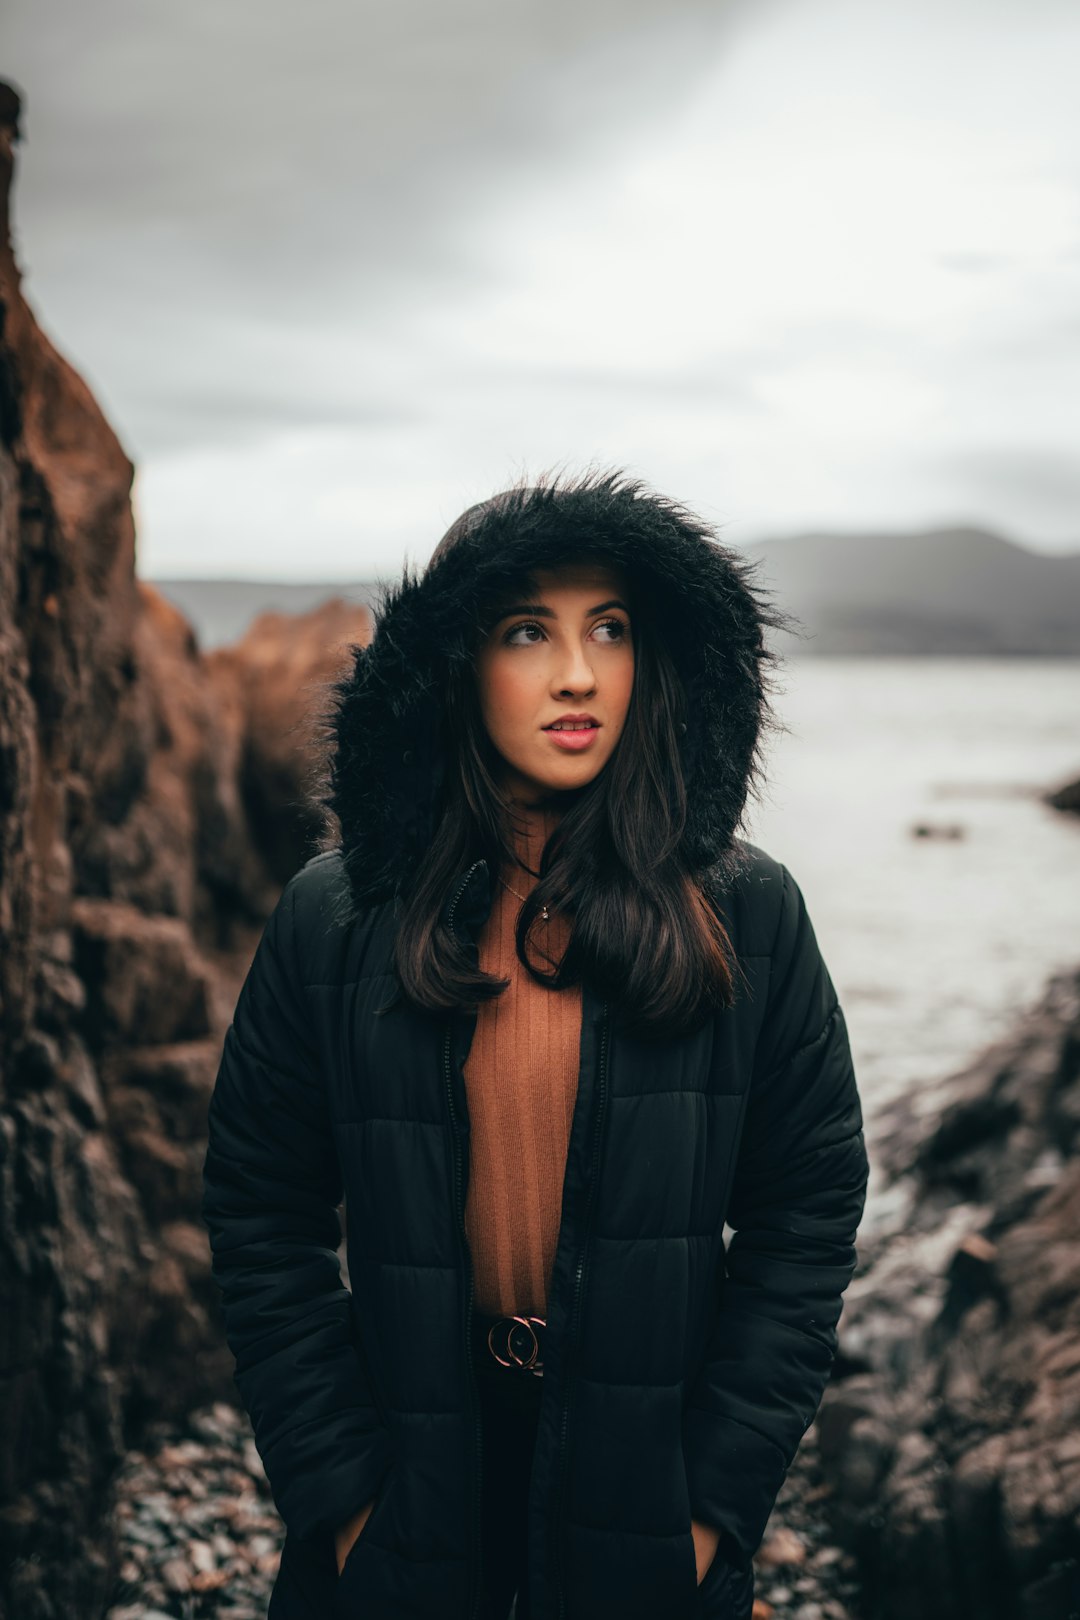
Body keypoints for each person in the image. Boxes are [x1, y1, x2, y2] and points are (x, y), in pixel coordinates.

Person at [201, 470, 870, 1620]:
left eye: (610, 629)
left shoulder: (749, 916)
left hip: (645, 1489)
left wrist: (713, 1502)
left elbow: (806, 1212)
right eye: (529, 632)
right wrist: (341, 1493)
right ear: (459, 661)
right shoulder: (337, 917)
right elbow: (262, 1208)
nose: (577, 673)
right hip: (407, 1476)